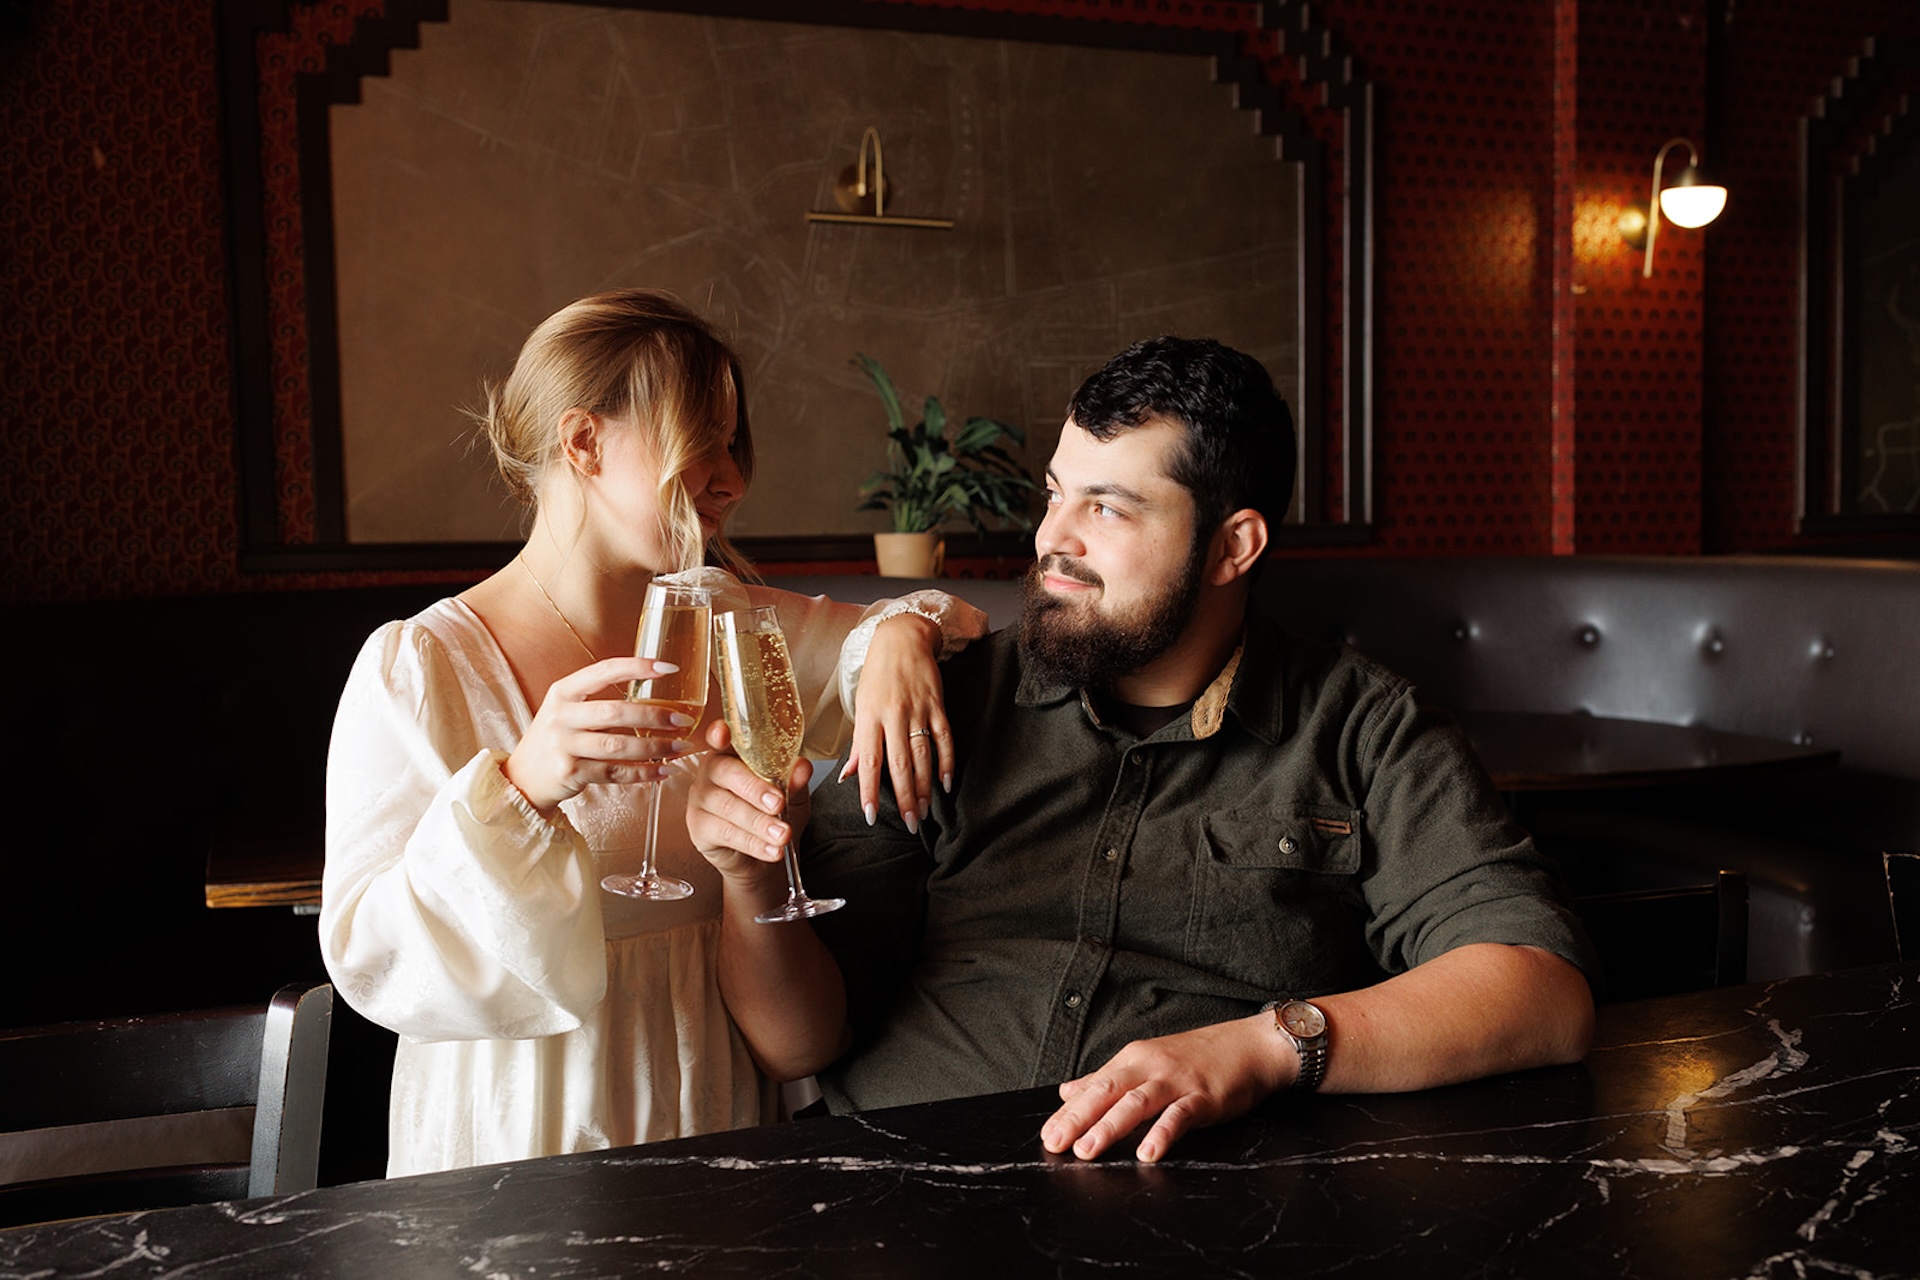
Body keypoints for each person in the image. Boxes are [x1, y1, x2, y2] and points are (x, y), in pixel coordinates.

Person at [687, 335, 1598, 1164]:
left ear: (1232, 546)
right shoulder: (947, 696)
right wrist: (752, 880)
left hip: (1194, 1211)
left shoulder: (1366, 730)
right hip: (888, 1188)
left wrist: (1263, 1046)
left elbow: (1542, 992)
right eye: (1054, 493)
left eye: (1108, 509)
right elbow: (796, 1044)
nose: (1053, 540)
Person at [319, 288, 987, 1176]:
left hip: (715, 1103)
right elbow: (368, 954)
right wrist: (521, 784)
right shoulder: (421, 666)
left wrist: (906, 630)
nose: (733, 479)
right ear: (583, 441)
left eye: (735, 445)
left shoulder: (732, 628)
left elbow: (957, 633)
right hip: (517, 1128)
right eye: (701, 440)